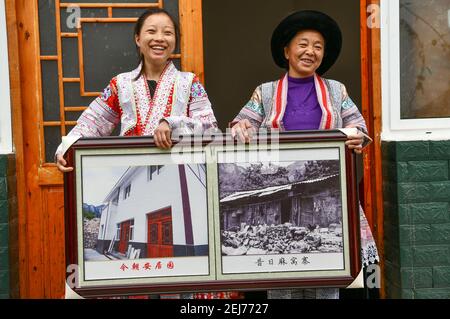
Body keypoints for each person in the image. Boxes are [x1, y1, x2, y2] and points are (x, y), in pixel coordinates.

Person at [231, 10, 380, 299]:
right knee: (281, 276)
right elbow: (241, 123)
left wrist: (356, 136)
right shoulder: (265, 92)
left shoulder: (337, 91)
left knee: (328, 272)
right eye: (303, 44)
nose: (310, 51)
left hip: (331, 191)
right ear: (287, 51)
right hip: (278, 184)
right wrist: (242, 127)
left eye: (318, 46)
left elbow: (358, 127)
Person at [56, 8, 217, 171]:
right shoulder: (120, 84)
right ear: (138, 39)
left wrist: (172, 124)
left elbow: (209, 129)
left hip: (179, 173)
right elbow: (93, 124)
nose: (159, 38)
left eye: (168, 33)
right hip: (129, 175)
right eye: (151, 31)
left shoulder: (190, 83)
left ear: (175, 40)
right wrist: (66, 149)